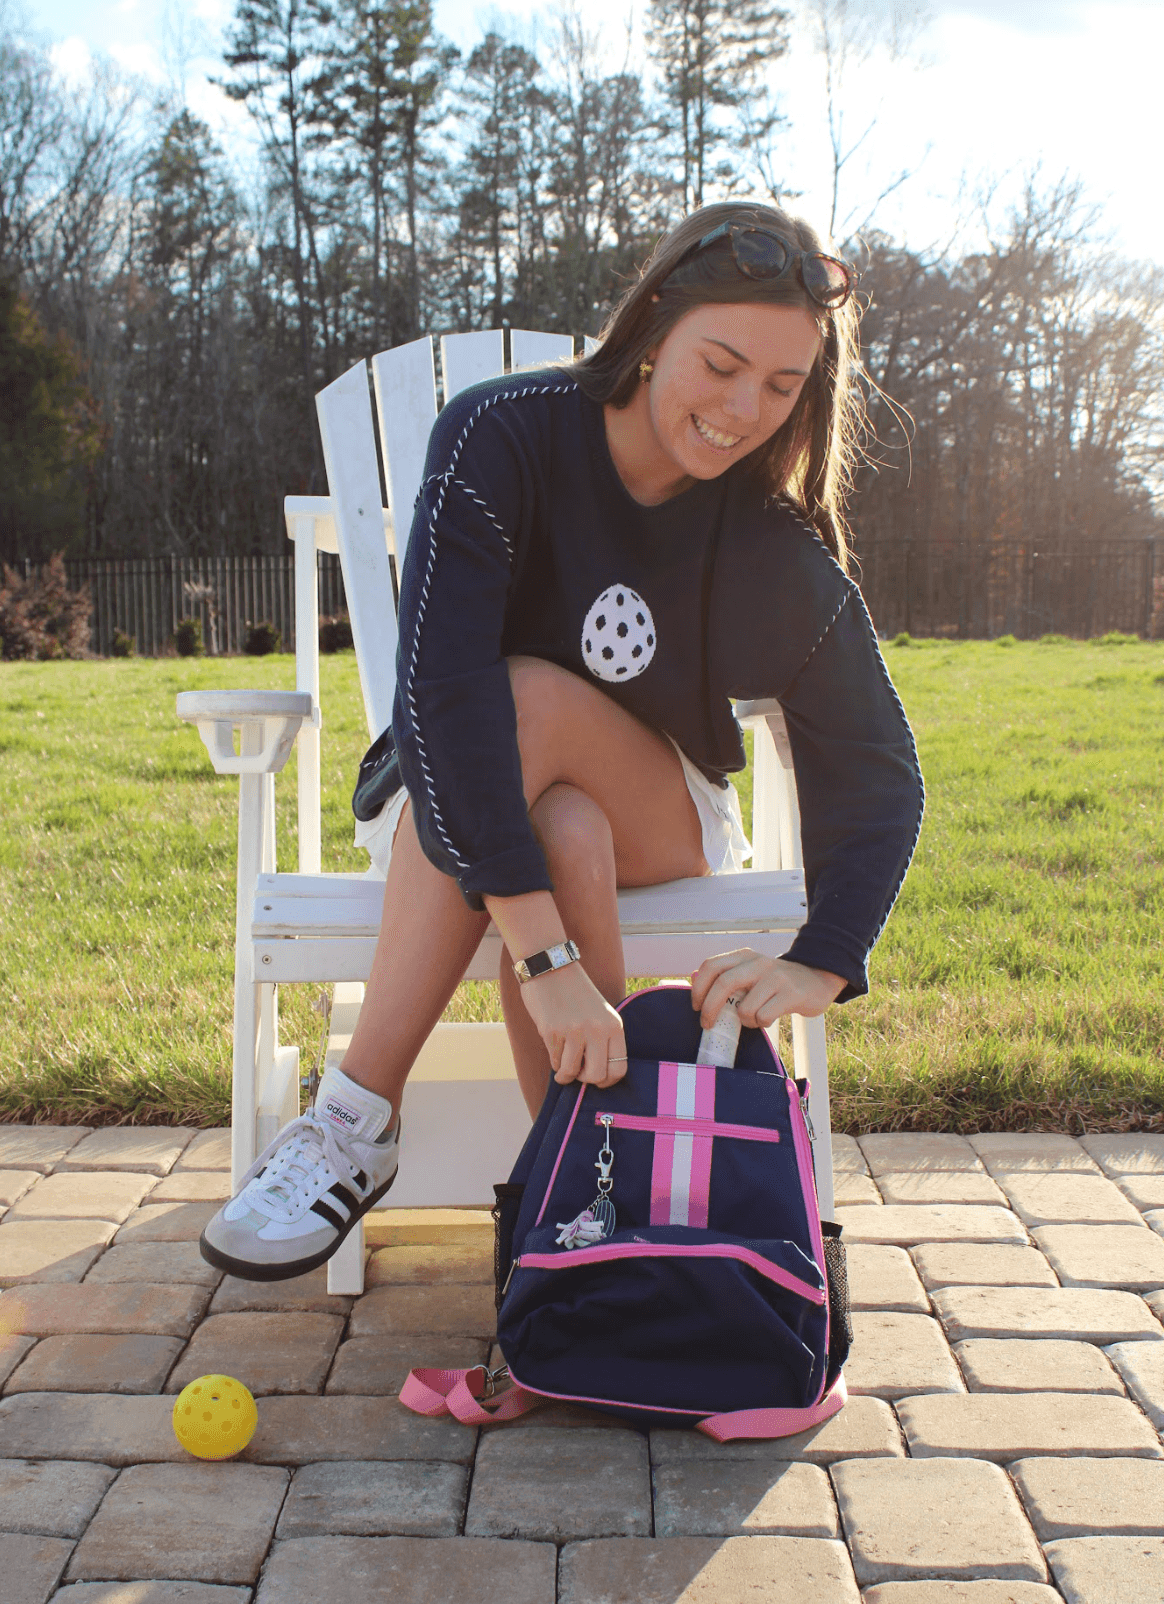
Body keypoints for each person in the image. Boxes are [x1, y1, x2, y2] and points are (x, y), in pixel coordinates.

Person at [200, 199, 924, 1283]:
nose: (743, 411)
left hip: (664, 812)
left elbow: (876, 762)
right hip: (454, 795)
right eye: (721, 364)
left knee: (532, 707)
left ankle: (355, 1114)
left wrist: (825, 959)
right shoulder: (505, 435)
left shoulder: (761, 534)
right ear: (653, 324)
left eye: (782, 387)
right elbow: (440, 696)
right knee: (558, 824)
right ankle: (578, 1212)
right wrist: (549, 957)